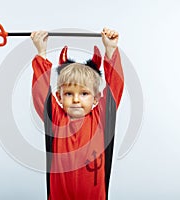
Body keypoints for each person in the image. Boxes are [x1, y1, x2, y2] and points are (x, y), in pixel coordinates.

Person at [31, 28, 124, 200]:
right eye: (68, 94)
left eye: (84, 93)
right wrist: (41, 52)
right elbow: (41, 93)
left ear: (96, 98)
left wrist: (110, 50)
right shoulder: (55, 119)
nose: (76, 100)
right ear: (59, 97)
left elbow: (115, 87)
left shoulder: (101, 118)